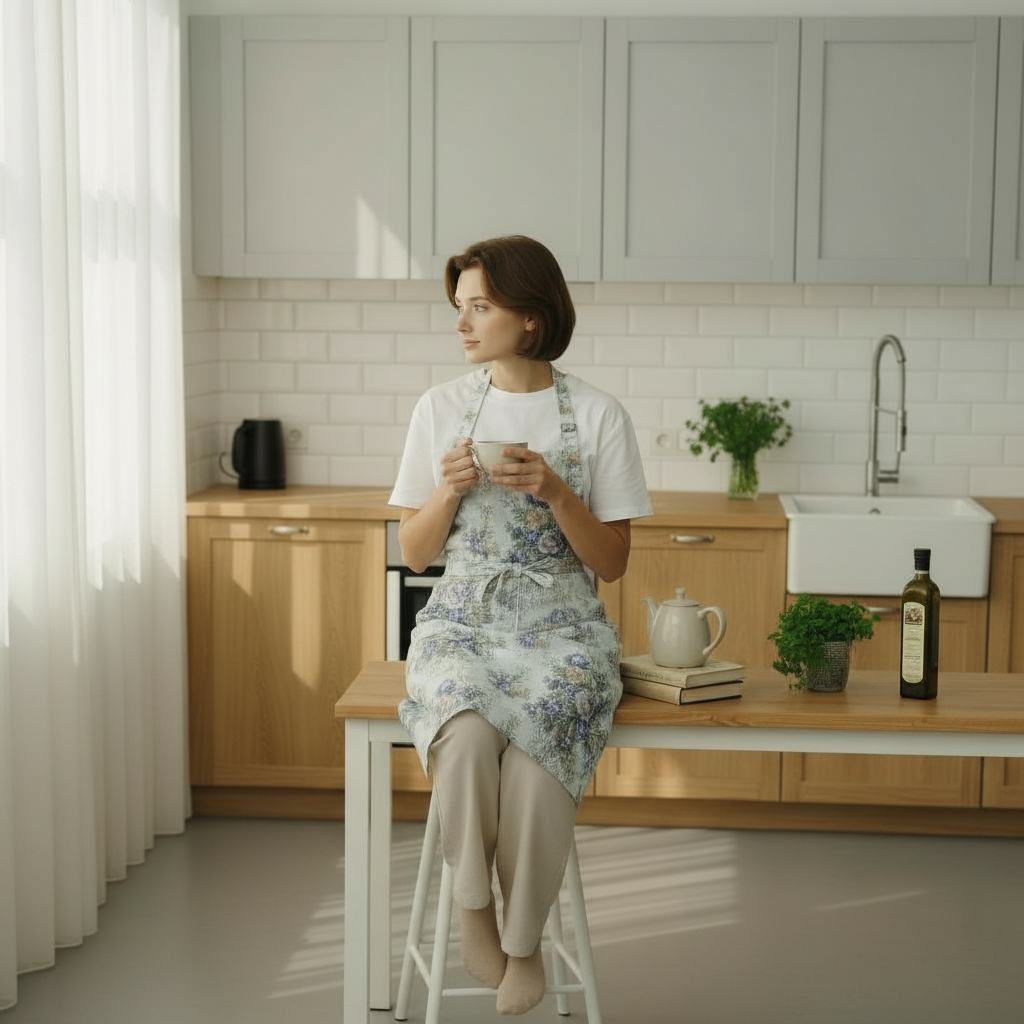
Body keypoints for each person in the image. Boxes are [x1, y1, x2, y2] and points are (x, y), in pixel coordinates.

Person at [388, 235, 651, 1015]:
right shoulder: (439, 408)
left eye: (480, 307)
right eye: (459, 307)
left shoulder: (598, 414)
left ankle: (525, 939)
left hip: (564, 627)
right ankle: (474, 907)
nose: (462, 324)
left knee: (542, 750)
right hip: (462, 622)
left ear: (530, 318)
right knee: (466, 732)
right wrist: (447, 492)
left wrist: (558, 492)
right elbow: (414, 553)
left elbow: (612, 564)